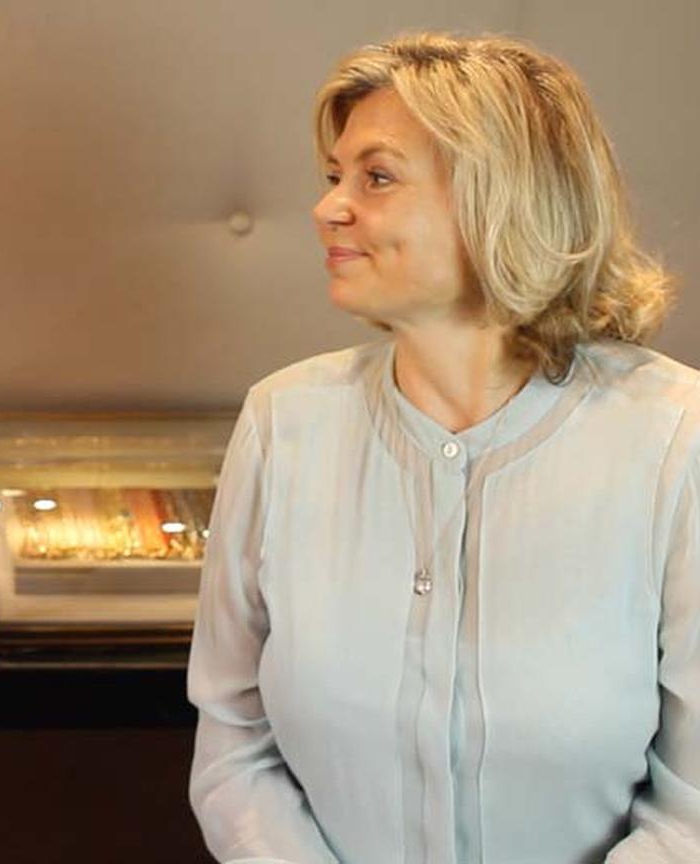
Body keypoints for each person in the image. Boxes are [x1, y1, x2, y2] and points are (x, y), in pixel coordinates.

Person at [188, 33, 700, 863]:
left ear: (502, 199)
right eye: (334, 177)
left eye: (376, 177)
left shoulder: (678, 440)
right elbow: (235, 744)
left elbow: (693, 810)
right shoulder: (283, 422)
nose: (328, 208)